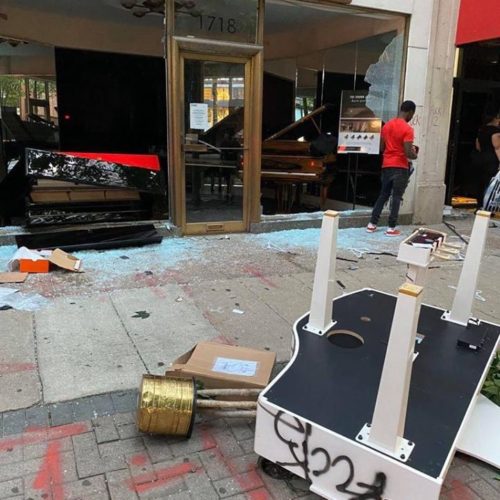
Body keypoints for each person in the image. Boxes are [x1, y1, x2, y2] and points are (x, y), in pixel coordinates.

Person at [366, 100, 418, 236]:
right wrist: (414, 154)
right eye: (412, 114)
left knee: (383, 195)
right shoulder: (408, 129)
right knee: (396, 197)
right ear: (410, 112)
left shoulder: (387, 125)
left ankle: (372, 224)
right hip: (400, 166)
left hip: (386, 165)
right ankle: (391, 228)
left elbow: (381, 147)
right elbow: (408, 153)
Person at [474, 105, 500, 207]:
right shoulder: (496, 132)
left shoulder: (481, 130)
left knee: (481, 182)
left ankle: (480, 204)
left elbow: (478, 146)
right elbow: (497, 148)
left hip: (481, 158)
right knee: (491, 183)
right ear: (496, 118)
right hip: (492, 160)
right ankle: (487, 205)